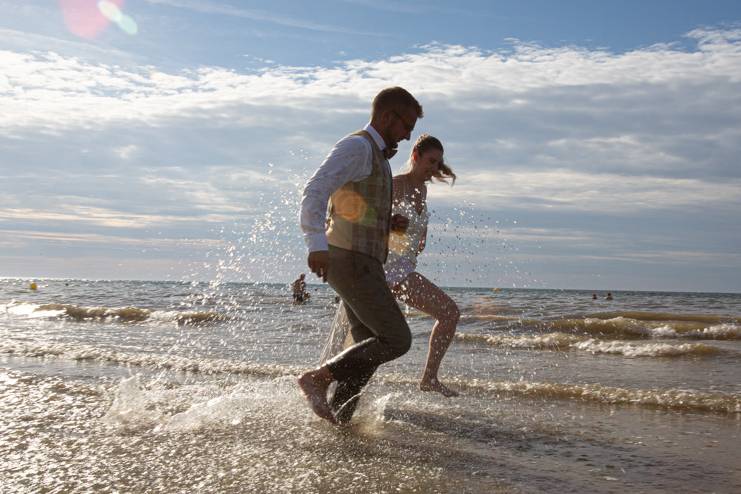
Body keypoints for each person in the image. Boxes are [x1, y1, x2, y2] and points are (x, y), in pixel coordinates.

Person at [298, 86, 423, 424]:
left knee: (368, 346)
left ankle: (341, 419)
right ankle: (318, 379)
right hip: (349, 259)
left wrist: (385, 222)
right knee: (397, 339)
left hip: (361, 260)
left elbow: (348, 206)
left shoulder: (376, 156)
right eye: (405, 125)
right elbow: (316, 190)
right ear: (386, 117)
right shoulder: (357, 146)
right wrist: (315, 245)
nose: (408, 134)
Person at [385, 134, 460, 397]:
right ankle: (428, 379)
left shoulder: (422, 189)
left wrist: (422, 233)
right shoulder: (395, 184)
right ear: (415, 156)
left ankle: (429, 378)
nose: (434, 168)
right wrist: (388, 224)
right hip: (389, 271)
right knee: (450, 313)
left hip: (405, 267)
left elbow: (413, 222)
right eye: (430, 161)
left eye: (438, 163)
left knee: (377, 340)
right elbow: (366, 218)